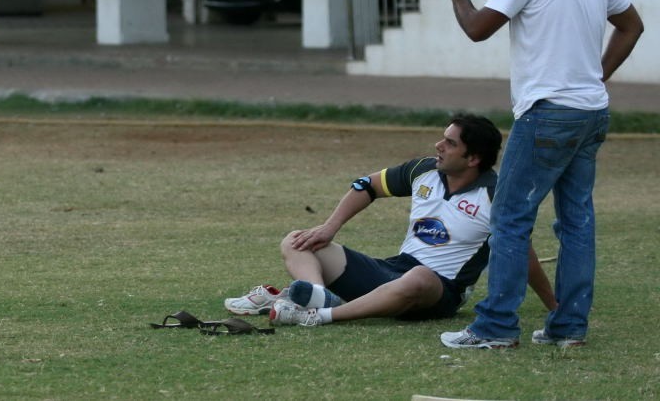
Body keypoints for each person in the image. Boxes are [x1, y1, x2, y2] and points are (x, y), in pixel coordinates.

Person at [436, 0, 644, 349]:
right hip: (591, 112)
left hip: (547, 113)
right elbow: (631, 26)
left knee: (509, 219)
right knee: (576, 221)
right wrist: (595, 77)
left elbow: (477, 29)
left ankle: (494, 328)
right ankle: (568, 327)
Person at [224, 114, 557, 328]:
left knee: (420, 277)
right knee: (296, 240)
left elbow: (522, 253)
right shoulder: (424, 169)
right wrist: (329, 227)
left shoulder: (497, 196)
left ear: (473, 158)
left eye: (450, 143)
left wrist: (552, 304)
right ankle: (315, 294)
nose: (438, 146)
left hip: (439, 290)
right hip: (392, 270)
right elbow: (365, 186)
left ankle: (317, 315)